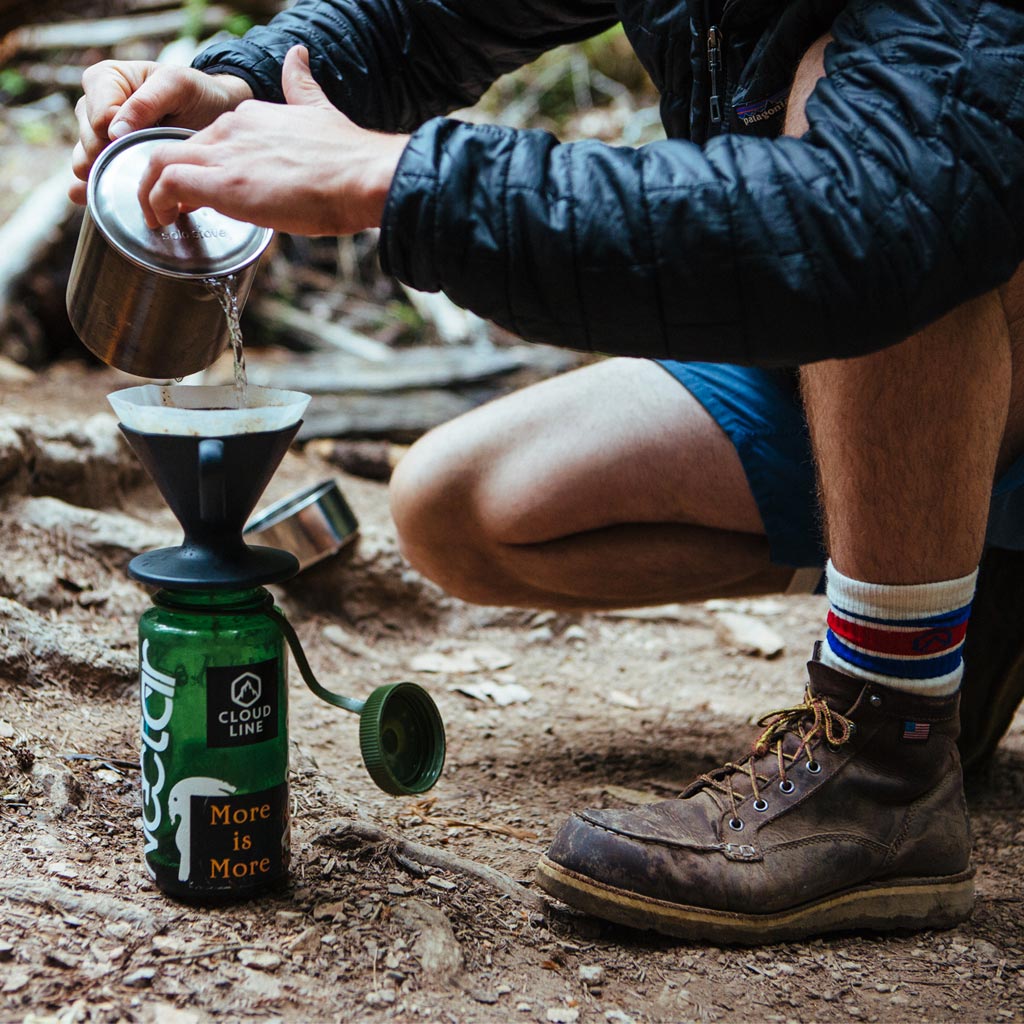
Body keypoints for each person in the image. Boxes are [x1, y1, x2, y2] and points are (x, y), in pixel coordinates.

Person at [71, 0, 1024, 944]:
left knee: (840, 106)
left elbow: (880, 208)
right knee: (460, 504)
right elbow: (427, 16)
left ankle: (888, 754)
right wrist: (240, 84)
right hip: (858, 303)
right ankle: (959, 586)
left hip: (903, 252)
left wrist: (402, 179)